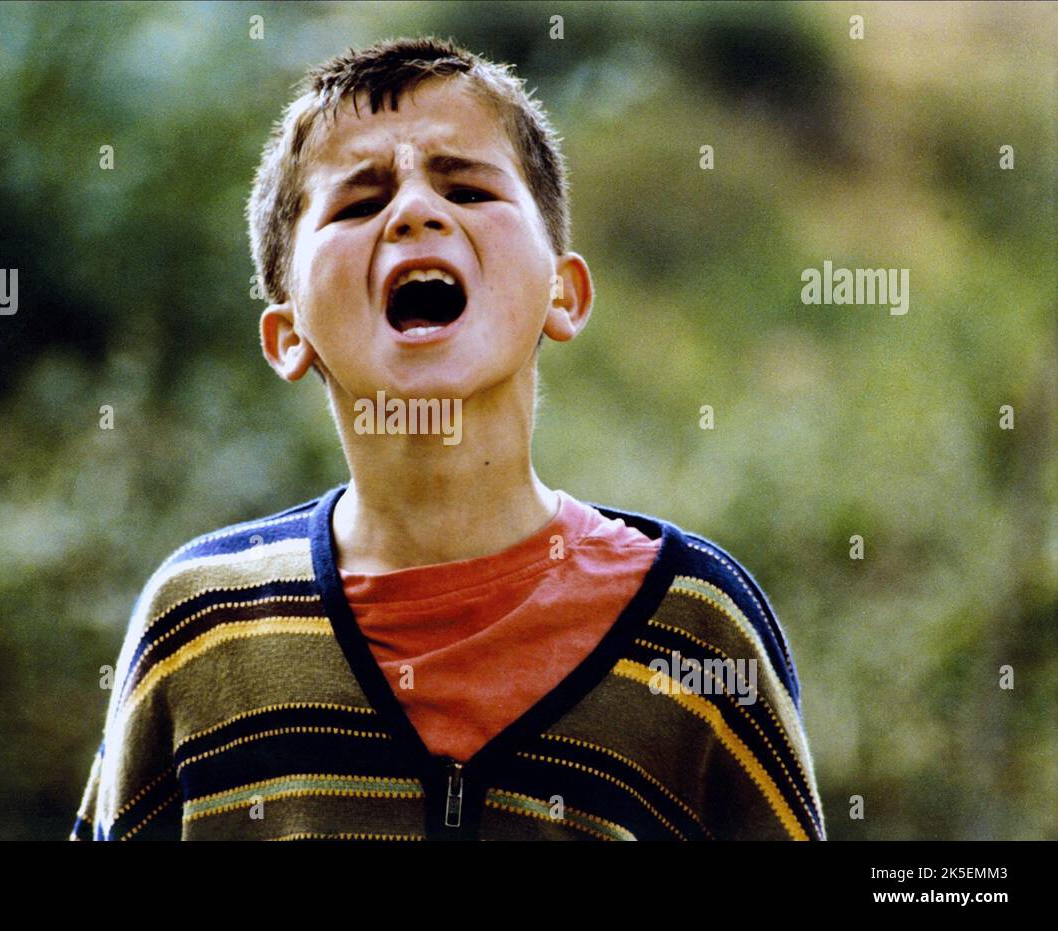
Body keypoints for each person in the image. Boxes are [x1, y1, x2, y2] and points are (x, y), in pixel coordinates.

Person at [71, 36, 825, 841]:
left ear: (563, 294)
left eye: (467, 187)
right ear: (288, 334)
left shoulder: (693, 627)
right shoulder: (202, 627)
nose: (415, 211)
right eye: (359, 204)